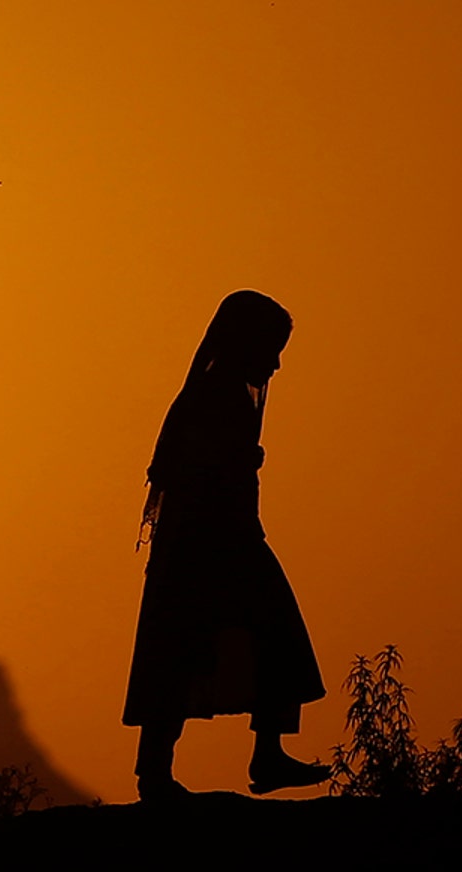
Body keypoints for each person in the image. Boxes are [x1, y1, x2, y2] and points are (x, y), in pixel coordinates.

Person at [123, 289, 331, 800]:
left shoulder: (214, 394)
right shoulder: (215, 398)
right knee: (208, 647)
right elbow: (196, 473)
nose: (277, 364)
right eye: (272, 347)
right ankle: (179, 769)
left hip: (216, 543)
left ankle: (240, 759)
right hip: (211, 545)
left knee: (192, 650)